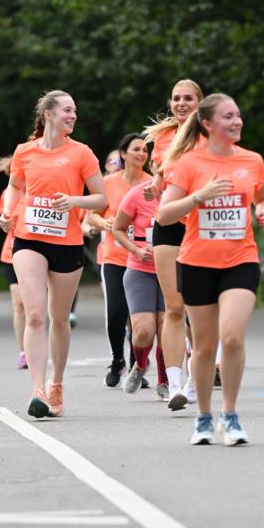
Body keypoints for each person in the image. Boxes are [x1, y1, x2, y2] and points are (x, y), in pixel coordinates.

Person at [158, 93, 264, 445]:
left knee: (233, 337)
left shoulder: (252, 160)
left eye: (238, 115)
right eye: (228, 117)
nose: (237, 121)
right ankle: (204, 418)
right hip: (196, 262)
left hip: (241, 258)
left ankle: (231, 414)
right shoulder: (188, 163)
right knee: (205, 347)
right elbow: (165, 214)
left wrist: (263, 210)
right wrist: (199, 196)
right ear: (207, 124)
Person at [0, 89, 106, 419]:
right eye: (67, 110)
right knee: (34, 315)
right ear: (48, 114)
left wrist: (74, 202)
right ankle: (38, 389)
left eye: (75, 111)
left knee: (59, 318)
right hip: (28, 237)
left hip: (67, 242)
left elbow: (101, 199)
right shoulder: (24, 152)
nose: (73, 116)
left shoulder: (82, 154)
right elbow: (15, 186)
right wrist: (7, 212)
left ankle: (57, 384)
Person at [144, 79, 203, 407]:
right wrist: (155, 186)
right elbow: (159, 177)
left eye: (188, 98)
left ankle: (198, 376)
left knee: (199, 308)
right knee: (174, 307)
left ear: (200, 102)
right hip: (167, 225)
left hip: (201, 226)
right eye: (176, 98)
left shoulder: (211, 135)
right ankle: (176, 383)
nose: (181, 103)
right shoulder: (163, 138)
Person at [87, 133, 151, 387]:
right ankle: (117, 359)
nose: (141, 154)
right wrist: (105, 223)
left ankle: (138, 365)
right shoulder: (108, 183)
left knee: (140, 317)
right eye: (136, 149)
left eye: (145, 150)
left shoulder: (151, 184)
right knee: (116, 312)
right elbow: (92, 216)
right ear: (123, 154)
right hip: (114, 256)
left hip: (144, 257)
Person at [112, 156, 167, 399]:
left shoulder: (184, 194)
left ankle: (165, 381)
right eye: (160, 163)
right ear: (153, 167)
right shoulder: (138, 194)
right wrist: (135, 249)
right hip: (140, 270)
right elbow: (118, 228)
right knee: (144, 331)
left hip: (171, 271)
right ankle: (140, 365)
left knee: (167, 330)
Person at [0, 157, 27, 368]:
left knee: (36, 306)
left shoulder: (39, 192)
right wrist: (6, 222)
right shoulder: (7, 195)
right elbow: (5, 222)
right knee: (19, 303)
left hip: (37, 253)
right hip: (12, 253)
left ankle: (36, 345)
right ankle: (23, 351)